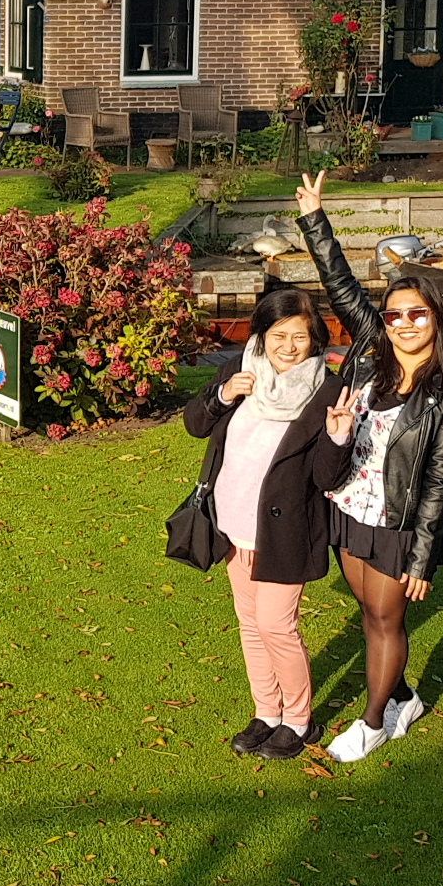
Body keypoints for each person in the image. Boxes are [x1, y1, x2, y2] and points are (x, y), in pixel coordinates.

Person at [297, 171, 443, 763]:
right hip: (350, 505)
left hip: (397, 524)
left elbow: (441, 481)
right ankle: (402, 696)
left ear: (437, 320)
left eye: (417, 315)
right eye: (395, 314)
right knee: (368, 612)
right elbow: (342, 288)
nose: (403, 324)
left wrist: (423, 555)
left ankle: (373, 719)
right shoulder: (373, 355)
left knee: (384, 618)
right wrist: (315, 220)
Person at [182, 286, 342, 761]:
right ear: (262, 334)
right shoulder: (240, 369)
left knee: (277, 625)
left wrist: (338, 437)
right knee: (250, 625)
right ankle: (266, 712)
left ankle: (298, 720)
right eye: (278, 334)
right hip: (232, 522)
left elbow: (325, 476)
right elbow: (195, 423)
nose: (289, 346)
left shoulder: (328, 390)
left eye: (300, 336)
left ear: (316, 338)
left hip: (286, 530)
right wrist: (222, 394)